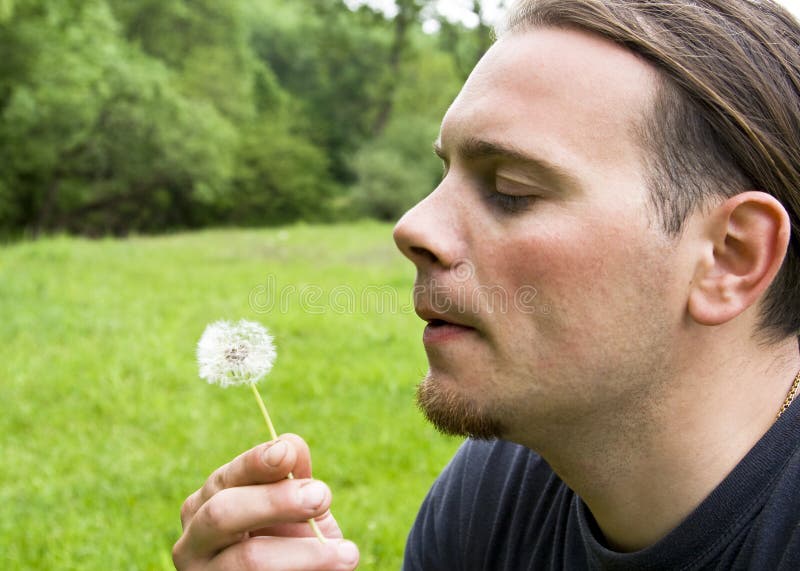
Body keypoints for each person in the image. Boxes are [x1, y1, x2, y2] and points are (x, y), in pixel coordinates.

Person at [172, 0, 800, 568]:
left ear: (729, 257)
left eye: (511, 192)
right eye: (443, 171)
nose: (412, 227)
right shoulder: (495, 495)